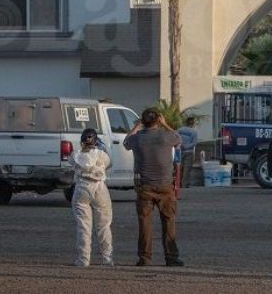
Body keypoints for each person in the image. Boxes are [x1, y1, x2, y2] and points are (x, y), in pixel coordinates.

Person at [124, 108, 184, 267]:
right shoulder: (167, 136)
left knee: (145, 224)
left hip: (145, 186)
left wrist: (136, 127)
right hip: (165, 186)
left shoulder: (138, 139)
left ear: (143, 121)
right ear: (158, 120)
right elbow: (179, 138)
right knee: (169, 221)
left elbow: (125, 142)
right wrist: (166, 125)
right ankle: (171, 257)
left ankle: (145, 258)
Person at [69, 128, 113, 267]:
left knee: (83, 226)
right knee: (104, 226)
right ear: (95, 141)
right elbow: (109, 163)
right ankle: (107, 258)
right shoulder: (101, 155)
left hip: (82, 187)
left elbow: (72, 162)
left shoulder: (75, 155)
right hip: (99, 187)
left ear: (82, 142)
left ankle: (83, 259)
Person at [177, 117, 198, 188]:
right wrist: (186, 146)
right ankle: (184, 184)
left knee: (179, 167)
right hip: (189, 152)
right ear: (193, 124)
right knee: (187, 169)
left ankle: (177, 184)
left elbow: (175, 138)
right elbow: (194, 143)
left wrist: (180, 146)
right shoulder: (194, 132)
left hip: (179, 151)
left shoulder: (179, 130)